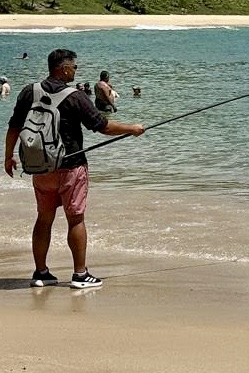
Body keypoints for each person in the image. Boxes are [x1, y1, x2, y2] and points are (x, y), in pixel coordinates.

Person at [4, 48, 145, 289]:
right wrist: (132, 128)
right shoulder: (75, 96)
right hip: (71, 167)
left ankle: (41, 273)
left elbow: (14, 127)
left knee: (44, 219)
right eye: (74, 67)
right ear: (64, 68)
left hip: (41, 168)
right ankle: (80, 274)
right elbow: (102, 126)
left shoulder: (29, 91)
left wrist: (8, 157)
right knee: (76, 219)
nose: (76, 71)